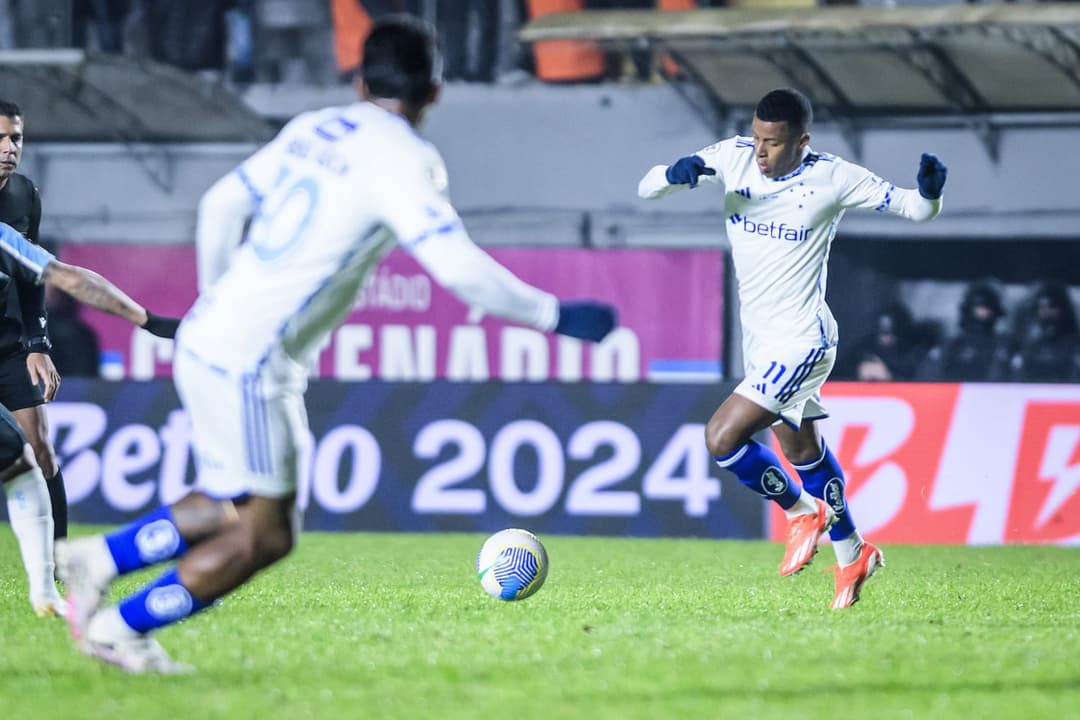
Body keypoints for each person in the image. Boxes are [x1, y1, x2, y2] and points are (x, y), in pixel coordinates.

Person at [56, 15, 617, 675]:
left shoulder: (315, 125)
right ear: (434, 91)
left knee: (237, 499)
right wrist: (553, 315)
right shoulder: (406, 160)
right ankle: (121, 628)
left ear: (360, 79)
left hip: (215, 338)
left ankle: (100, 559)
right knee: (267, 534)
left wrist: (215, 301)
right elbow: (459, 269)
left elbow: (218, 207)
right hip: (250, 358)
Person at [638, 88, 947, 609]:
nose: (761, 152)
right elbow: (647, 190)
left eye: (774, 143)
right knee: (802, 449)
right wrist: (675, 173)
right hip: (761, 342)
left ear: (802, 141)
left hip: (805, 339)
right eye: (758, 138)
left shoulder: (833, 177)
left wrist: (930, 193)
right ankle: (852, 553)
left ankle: (802, 511)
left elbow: (916, 211)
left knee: (722, 437)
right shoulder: (733, 157)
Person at [0, 220, 179, 617]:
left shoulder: (5, 232)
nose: (10, 151)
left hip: (7, 352)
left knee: (23, 458)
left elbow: (69, 278)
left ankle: (48, 591)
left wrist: (149, 321)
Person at [0, 99, 72, 546]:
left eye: (15, 138)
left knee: (39, 447)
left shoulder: (25, 196)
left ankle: (62, 560)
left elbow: (32, 275)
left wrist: (38, 344)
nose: (8, 147)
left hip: (6, 346)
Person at [920, 280, 1011, 382]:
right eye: (978, 307)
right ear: (966, 309)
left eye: (986, 308)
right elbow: (931, 377)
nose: (982, 313)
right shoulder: (951, 344)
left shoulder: (1002, 345)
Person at [837, 301, 932, 382]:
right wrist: (856, 371)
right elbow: (835, 374)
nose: (885, 339)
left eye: (891, 334)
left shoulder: (915, 356)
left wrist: (890, 377)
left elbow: (926, 386)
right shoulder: (863, 349)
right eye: (881, 333)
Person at [1008, 281, 1080, 382]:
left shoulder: (1074, 343)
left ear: (1062, 309)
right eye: (1042, 307)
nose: (1046, 312)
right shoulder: (1027, 344)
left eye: (1051, 307)